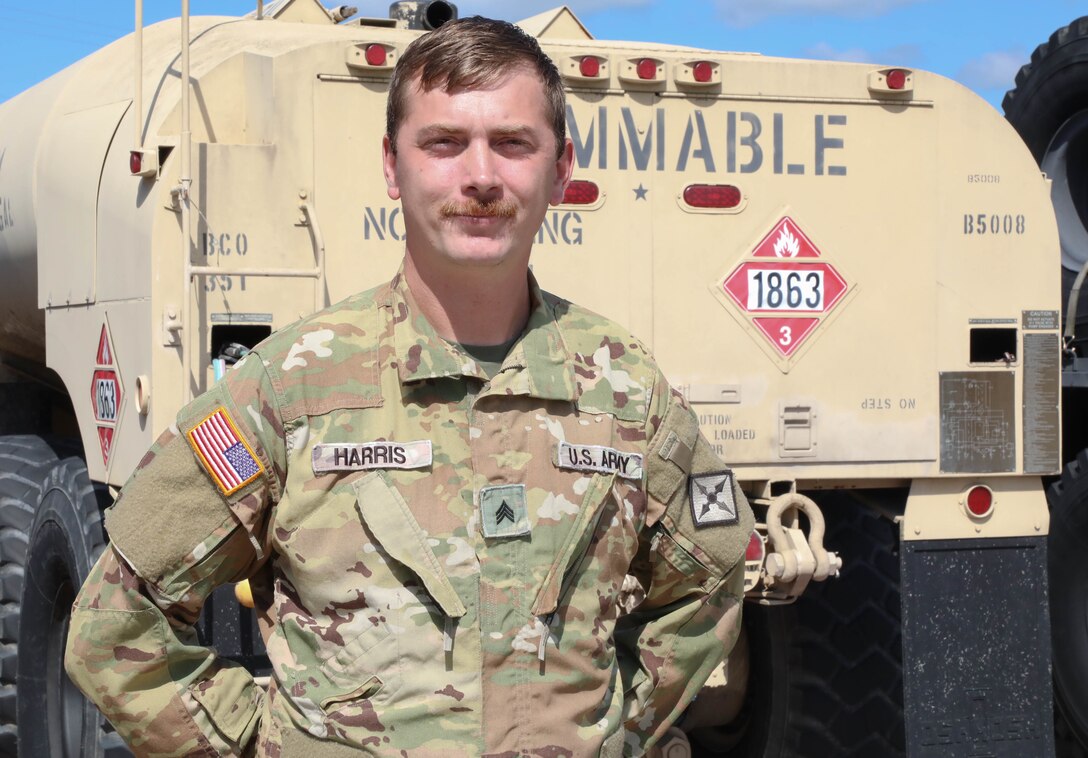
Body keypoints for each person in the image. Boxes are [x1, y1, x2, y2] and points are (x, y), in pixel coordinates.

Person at [65, 16, 754, 757]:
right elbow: (114, 628)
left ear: (561, 170)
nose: (481, 176)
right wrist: (260, 745)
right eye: (444, 143)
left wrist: (618, 731)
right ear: (393, 168)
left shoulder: (625, 388)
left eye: (514, 143)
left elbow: (712, 577)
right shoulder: (289, 387)